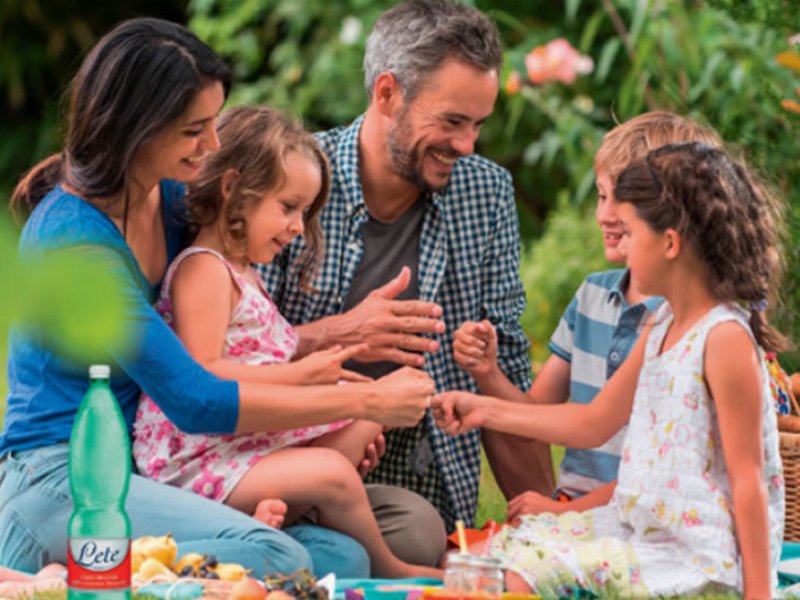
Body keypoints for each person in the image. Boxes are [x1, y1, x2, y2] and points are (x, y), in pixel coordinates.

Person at [0, 17, 435, 579]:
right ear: (135, 127)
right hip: (62, 476)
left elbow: (220, 344)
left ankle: (123, 566)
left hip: (146, 468)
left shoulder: (174, 203)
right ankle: (48, 579)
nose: (212, 145)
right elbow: (194, 395)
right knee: (280, 558)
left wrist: (339, 335)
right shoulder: (75, 240)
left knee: (344, 556)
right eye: (194, 129)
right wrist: (361, 402)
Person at [434, 142, 786, 598]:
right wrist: (481, 409)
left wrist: (759, 595)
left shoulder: (723, 340)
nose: (622, 249)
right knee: (483, 558)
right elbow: (590, 423)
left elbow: (749, 482)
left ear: (670, 243)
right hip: (640, 534)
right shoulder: (662, 325)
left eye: (631, 234)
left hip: (696, 559)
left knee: (509, 580)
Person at [259, 0, 553, 538]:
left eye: (478, 125)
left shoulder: (485, 194)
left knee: (417, 534)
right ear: (387, 93)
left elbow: (505, 373)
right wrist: (343, 334)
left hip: (424, 483)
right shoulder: (289, 184)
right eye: (452, 121)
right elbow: (226, 360)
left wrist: (549, 522)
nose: (467, 145)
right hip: (284, 470)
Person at [132, 105, 442, 579]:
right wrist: (299, 376)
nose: (298, 227)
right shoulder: (203, 270)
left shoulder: (244, 273)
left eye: (304, 211)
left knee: (366, 417)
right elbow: (203, 373)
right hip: (199, 461)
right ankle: (389, 567)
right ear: (233, 189)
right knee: (334, 470)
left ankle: (274, 517)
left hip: (240, 447)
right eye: (288, 207)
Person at [453, 112, 722, 521]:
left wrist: (566, 514)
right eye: (601, 196)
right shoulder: (593, 296)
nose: (605, 216)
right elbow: (538, 416)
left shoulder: (683, 322)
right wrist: (487, 373)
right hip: (574, 507)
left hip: (639, 514)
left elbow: (658, 474)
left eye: (623, 201)